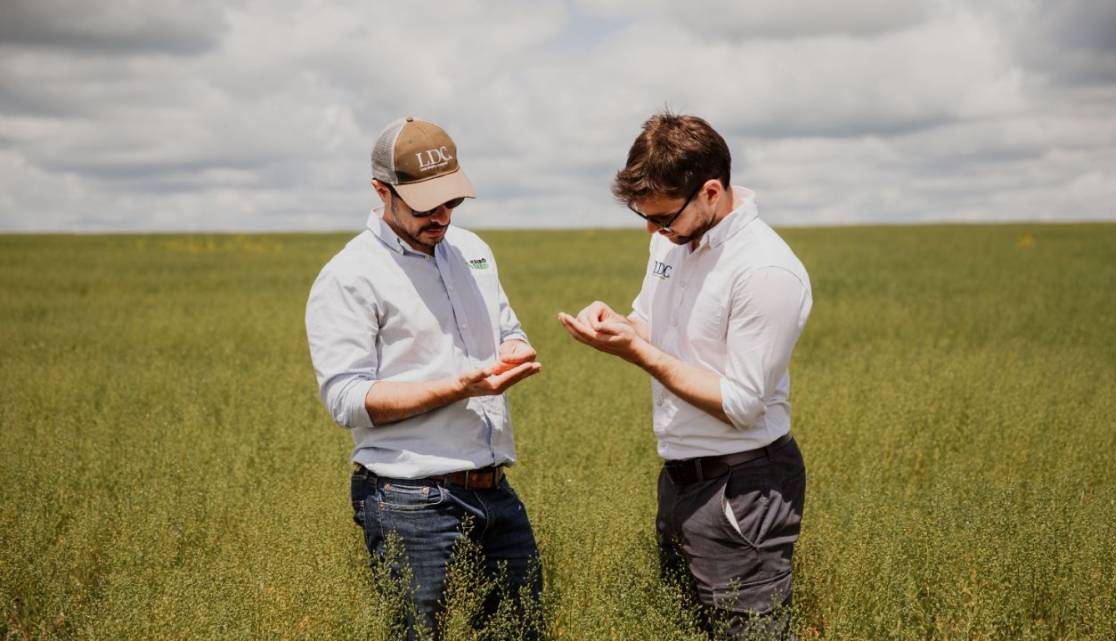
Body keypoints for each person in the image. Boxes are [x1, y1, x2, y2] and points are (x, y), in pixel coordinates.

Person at [558, 111, 812, 639]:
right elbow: (652, 327)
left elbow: (743, 404)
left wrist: (637, 353)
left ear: (712, 192)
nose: (654, 230)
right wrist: (618, 328)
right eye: (644, 217)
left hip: (743, 486)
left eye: (665, 217)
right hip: (679, 480)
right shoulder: (670, 242)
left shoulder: (764, 270)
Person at [305, 116, 543, 639]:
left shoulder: (475, 252)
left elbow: (508, 328)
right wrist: (462, 386)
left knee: (522, 630)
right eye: (423, 204)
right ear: (380, 191)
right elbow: (348, 399)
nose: (441, 215)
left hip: (495, 491)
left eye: (451, 201)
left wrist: (513, 349)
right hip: (408, 502)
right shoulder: (349, 276)